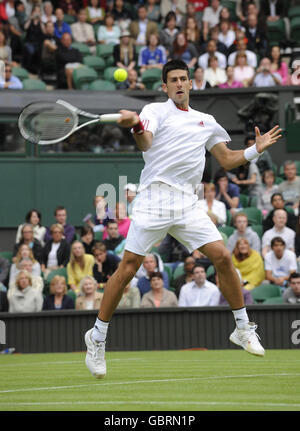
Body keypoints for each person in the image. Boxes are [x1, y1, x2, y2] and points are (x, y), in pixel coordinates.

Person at [84, 58, 282, 378]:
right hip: (154, 199)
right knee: (128, 269)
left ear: (191, 83)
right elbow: (145, 142)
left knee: (221, 256)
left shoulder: (207, 121)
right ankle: (97, 337)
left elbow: (228, 160)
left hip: (188, 203)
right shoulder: (153, 112)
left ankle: (242, 328)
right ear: (165, 87)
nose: (178, 83)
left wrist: (253, 150)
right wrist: (134, 125)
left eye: (183, 78)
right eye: (172, 80)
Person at [22, 5, 44, 73]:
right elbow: (25, 27)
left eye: (38, 11)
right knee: (31, 51)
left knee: (39, 51)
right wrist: (31, 18)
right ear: (32, 12)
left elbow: (44, 31)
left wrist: (40, 20)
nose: (37, 12)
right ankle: (27, 68)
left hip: (38, 43)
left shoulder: (41, 22)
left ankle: (36, 70)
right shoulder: (29, 20)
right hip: (29, 42)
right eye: (35, 11)